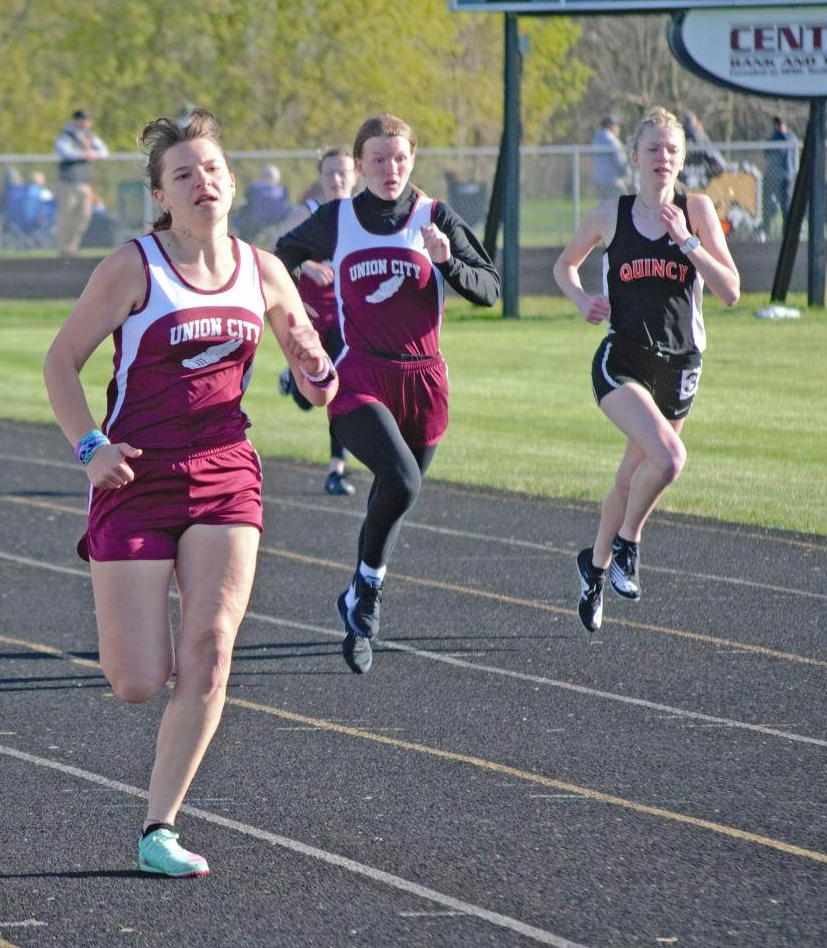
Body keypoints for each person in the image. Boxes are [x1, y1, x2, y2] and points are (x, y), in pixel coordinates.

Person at [43, 108, 335, 878]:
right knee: (138, 680)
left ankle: (158, 828)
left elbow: (315, 375)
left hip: (224, 472)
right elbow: (60, 364)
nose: (202, 182)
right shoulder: (131, 267)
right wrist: (90, 447)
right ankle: (140, 653)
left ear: (232, 182)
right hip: (136, 476)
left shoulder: (262, 269)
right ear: (162, 196)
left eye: (211, 169)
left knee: (209, 652)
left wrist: (317, 370)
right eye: (183, 174)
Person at [276, 112, 499, 675]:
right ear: (359, 165)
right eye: (377, 159)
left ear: (413, 160)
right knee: (400, 480)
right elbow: (280, 253)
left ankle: (356, 595)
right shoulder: (338, 218)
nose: (389, 169)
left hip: (424, 381)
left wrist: (448, 261)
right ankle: (370, 592)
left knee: (396, 495)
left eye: (399, 158)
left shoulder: (434, 217)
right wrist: (297, 303)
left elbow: (490, 288)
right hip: (360, 378)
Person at [553, 105, 739, 634]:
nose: (663, 158)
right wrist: (580, 298)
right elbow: (563, 265)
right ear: (634, 156)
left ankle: (594, 566)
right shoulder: (610, 214)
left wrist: (688, 242)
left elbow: (730, 291)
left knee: (634, 473)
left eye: (672, 150)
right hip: (624, 360)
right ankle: (628, 545)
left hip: (680, 365)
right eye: (653, 149)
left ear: (682, 160)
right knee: (670, 458)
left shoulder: (697, 209)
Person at [276, 146, 359, 496]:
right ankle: (292, 380)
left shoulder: (363, 214)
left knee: (341, 392)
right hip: (310, 318)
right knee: (307, 398)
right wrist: (307, 265)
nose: (337, 180)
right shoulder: (307, 213)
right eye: (330, 174)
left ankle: (336, 470)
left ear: (356, 175)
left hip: (349, 319)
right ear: (321, 178)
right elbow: (274, 257)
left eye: (343, 173)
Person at [54, 109, 109, 257]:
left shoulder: (90, 137)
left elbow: (104, 151)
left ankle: (73, 246)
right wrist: (83, 154)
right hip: (68, 182)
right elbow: (64, 153)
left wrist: (93, 153)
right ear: (76, 120)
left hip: (84, 183)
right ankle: (64, 248)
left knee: (84, 214)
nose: (85, 123)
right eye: (82, 119)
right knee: (67, 215)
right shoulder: (67, 136)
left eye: (87, 120)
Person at [762, 116, 799, 236]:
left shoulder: (782, 138)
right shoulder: (792, 137)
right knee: (770, 204)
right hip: (777, 177)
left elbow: (769, 153)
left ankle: (786, 233)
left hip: (785, 178)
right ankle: (766, 229)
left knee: (786, 206)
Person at [237, 163, 292, 243]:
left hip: (256, 222)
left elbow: (246, 202)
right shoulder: (283, 190)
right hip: (278, 221)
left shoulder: (254, 187)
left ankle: (244, 243)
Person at [591, 115, 631, 201]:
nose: (618, 129)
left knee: (605, 210)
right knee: (623, 208)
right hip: (614, 181)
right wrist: (628, 174)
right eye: (617, 126)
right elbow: (620, 161)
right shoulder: (612, 140)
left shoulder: (596, 139)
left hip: (599, 181)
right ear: (611, 126)